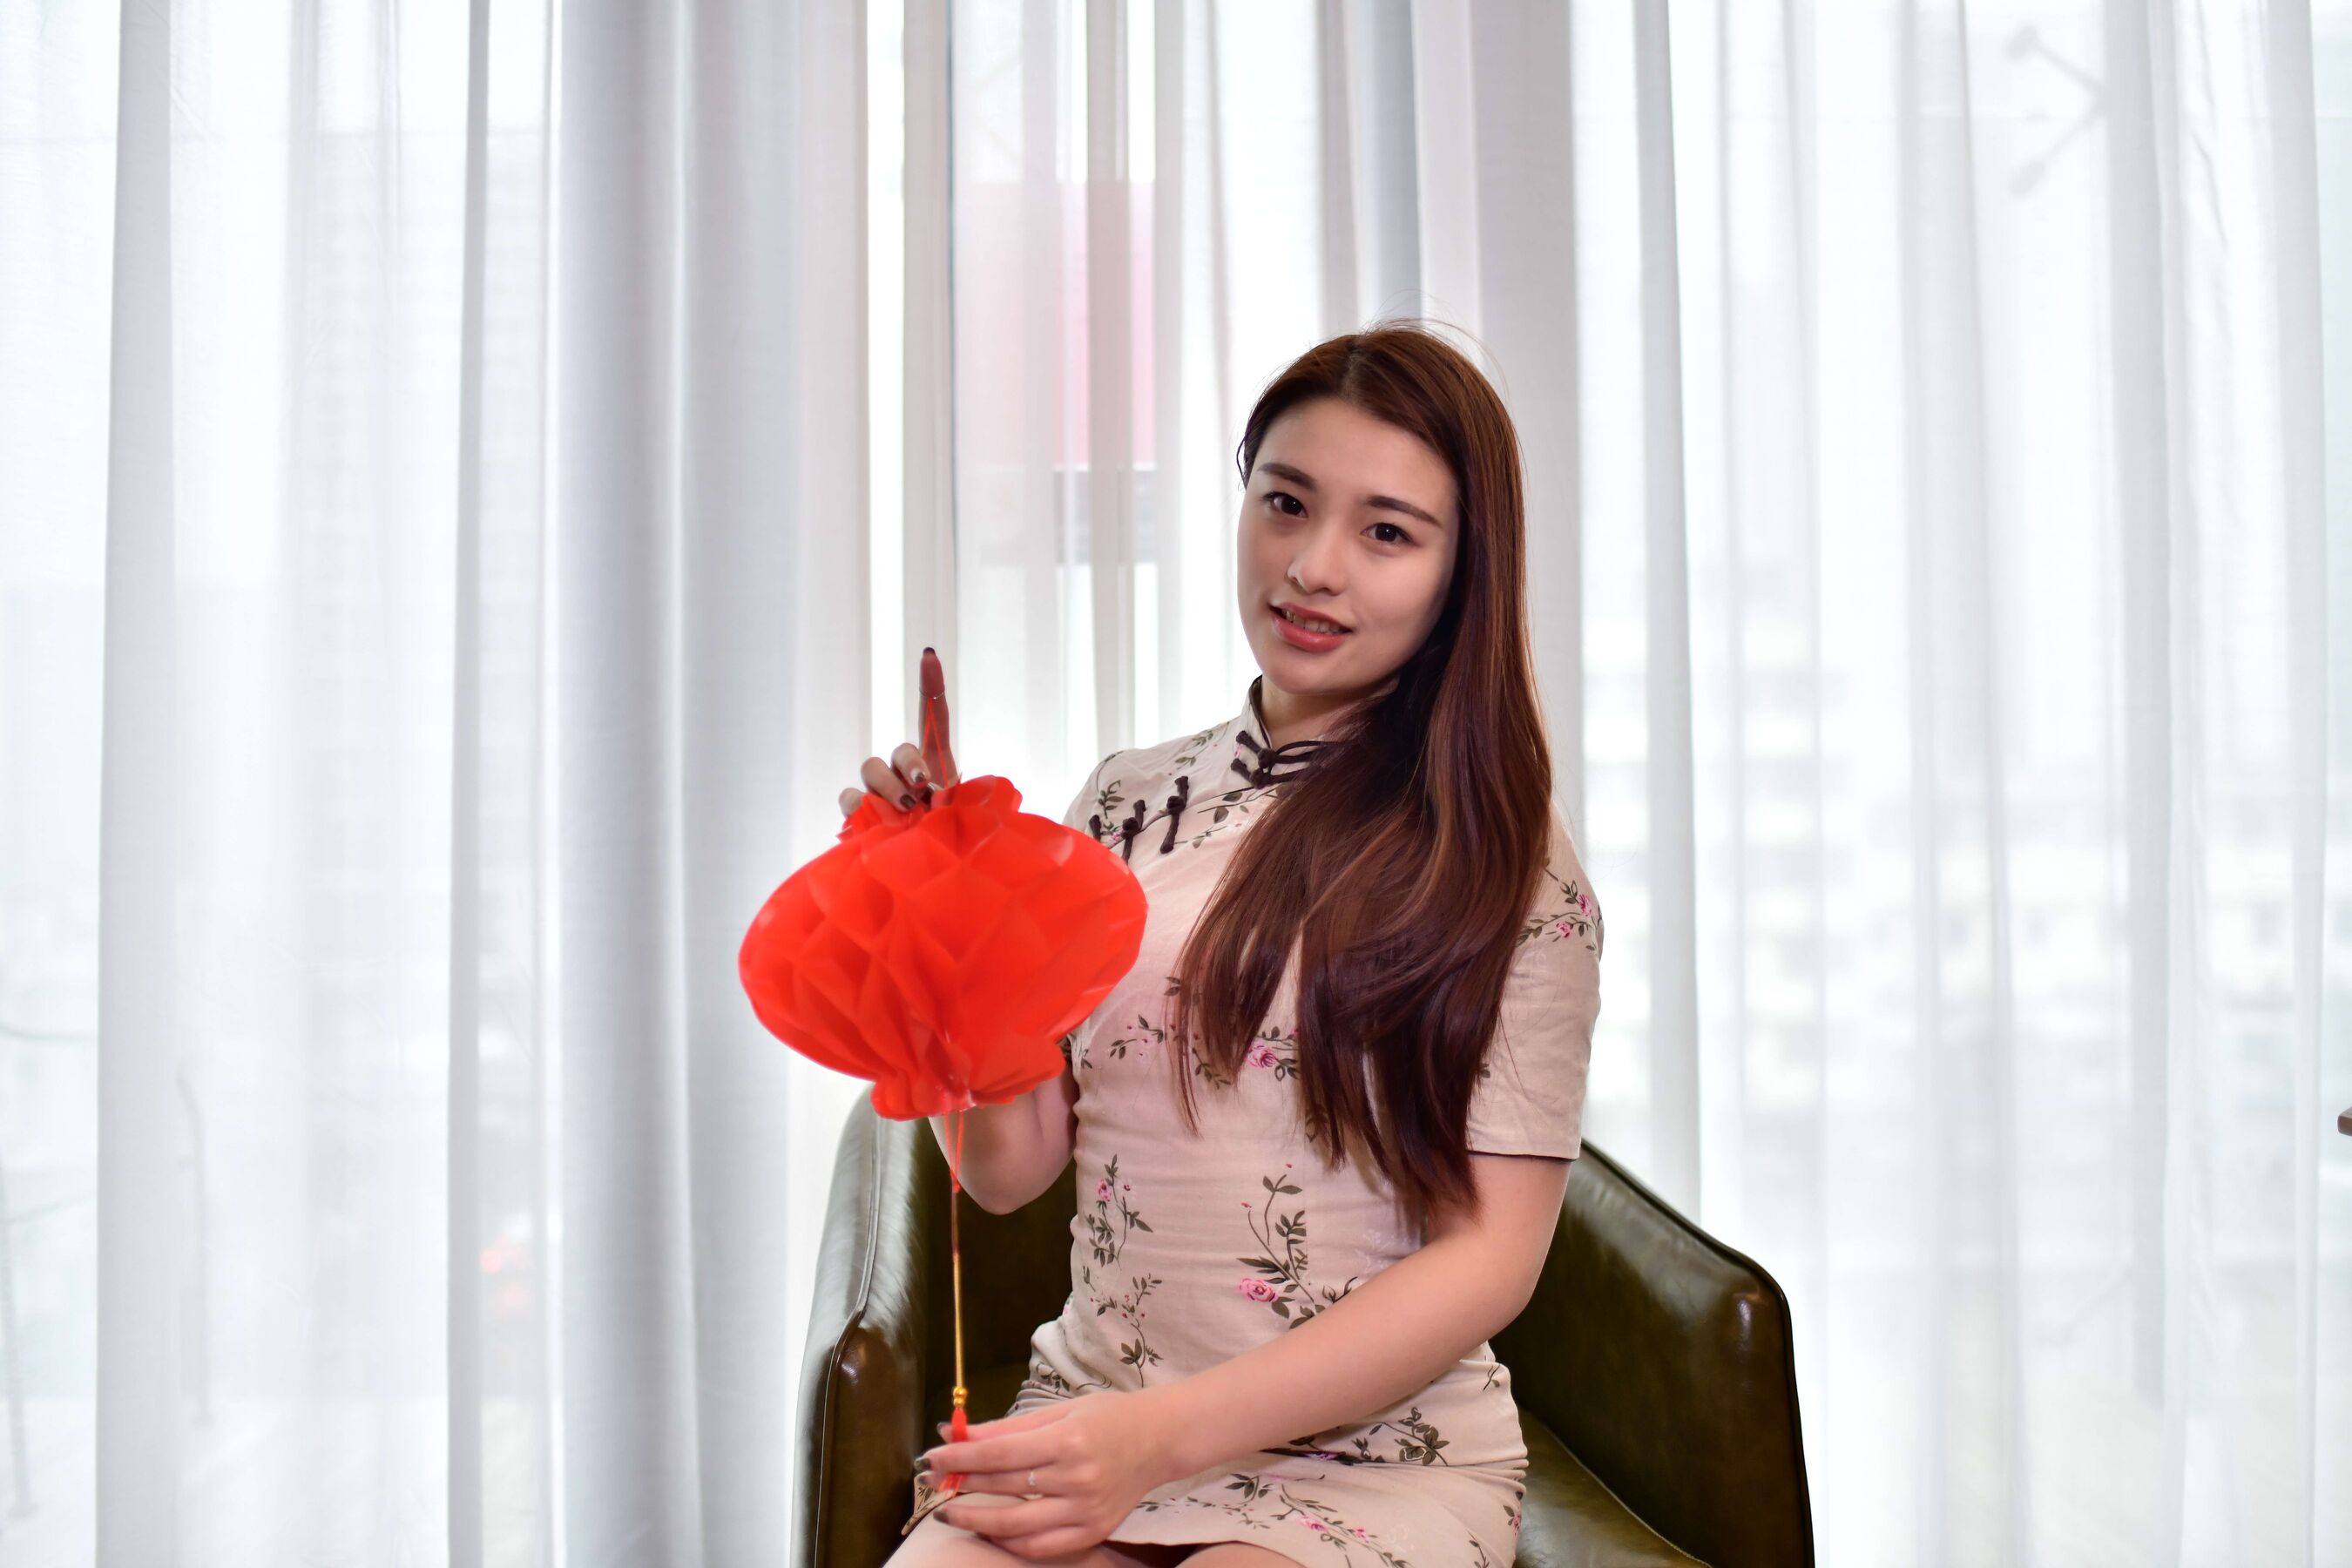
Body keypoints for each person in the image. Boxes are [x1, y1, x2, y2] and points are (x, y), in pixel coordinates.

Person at [848, 323, 1605, 1568]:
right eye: (1286, 502)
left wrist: (1157, 1440)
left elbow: (1490, 1260)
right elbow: (1008, 1170)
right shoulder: (1121, 804)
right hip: (1093, 1417)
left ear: (1462, 572)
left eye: (1387, 532)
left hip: (1378, 1460)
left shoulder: (1505, 858)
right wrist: (941, 922)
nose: (1312, 566)